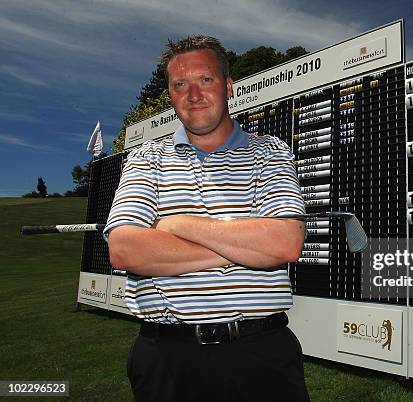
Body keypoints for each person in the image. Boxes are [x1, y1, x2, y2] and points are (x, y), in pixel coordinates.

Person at [104, 35, 309, 402]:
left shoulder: (270, 152)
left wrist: (177, 225)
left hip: (261, 355)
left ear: (229, 86)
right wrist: (245, 246)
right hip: (165, 359)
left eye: (206, 80)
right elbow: (125, 249)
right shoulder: (145, 159)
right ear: (170, 93)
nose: (193, 94)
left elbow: (284, 243)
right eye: (180, 84)